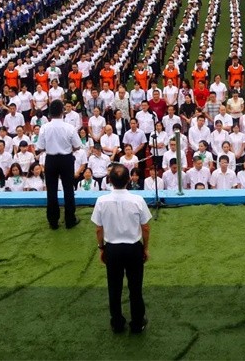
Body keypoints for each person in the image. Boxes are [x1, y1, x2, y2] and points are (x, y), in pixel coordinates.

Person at [92, 163, 152, 335]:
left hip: (112, 249)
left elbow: (98, 228)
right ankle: (137, 323)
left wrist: (101, 248)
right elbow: (145, 227)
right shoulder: (137, 200)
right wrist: (145, 248)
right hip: (133, 248)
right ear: (128, 180)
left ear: (109, 180)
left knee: (114, 287)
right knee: (135, 288)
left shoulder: (101, 201)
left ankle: (117, 323)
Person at [38, 99, 83, 230]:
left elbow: (40, 147)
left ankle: (53, 221)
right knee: (68, 189)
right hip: (66, 159)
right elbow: (77, 146)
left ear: (50, 113)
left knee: (51, 191)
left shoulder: (45, 128)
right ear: (62, 112)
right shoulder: (69, 127)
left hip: (51, 159)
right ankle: (70, 219)